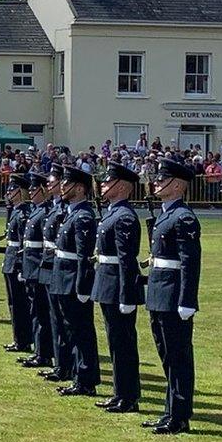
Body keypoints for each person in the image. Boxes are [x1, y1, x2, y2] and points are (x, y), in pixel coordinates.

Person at [143, 158, 201, 435]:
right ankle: (170, 410)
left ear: (176, 184)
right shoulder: (167, 214)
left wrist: (187, 300)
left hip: (172, 294)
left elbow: (191, 262)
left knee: (178, 356)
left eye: (162, 178)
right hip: (159, 291)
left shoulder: (184, 217)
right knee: (166, 355)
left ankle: (179, 415)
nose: (156, 182)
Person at [91, 163, 145, 414]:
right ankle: (120, 392)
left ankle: (128, 396)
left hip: (117, 286)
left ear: (121, 186)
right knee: (115, 342)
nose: (102, 185)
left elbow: (126, 259)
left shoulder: (124, 216)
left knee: (123, 343)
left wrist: (126, 294)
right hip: (108, 282)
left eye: (107, 181)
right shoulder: (113, 213)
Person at [49, 166, 100, 397]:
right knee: (71, 330)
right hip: (62, 276)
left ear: (79, 189)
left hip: (72, 280)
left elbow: (83, 256)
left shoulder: (84, 216)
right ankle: (78, 375)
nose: (62, 187)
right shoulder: (72, 213)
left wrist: (82, 286)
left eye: (67, 184)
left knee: (81, 332)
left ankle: (86, 379)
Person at [18, 172, 55, 368]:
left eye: (34, 189)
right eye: (30, 189)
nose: (31, 192)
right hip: (30, 267)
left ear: (43, 190)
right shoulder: (36, 211)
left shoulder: (45, 212)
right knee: (35, 311)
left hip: (38, 269)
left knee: (41, 313)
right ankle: (39, 350)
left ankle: (44, 353)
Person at [1, 174, 33, 353]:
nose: (8, 193)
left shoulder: (23, 213)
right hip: (10, 259)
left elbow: (23, 243)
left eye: (12, 190)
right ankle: (18, 338)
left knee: (20, 304)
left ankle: (23, 340)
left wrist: (20, 265)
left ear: (20, 191)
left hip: (16, 261)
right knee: (13, 303)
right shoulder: (15, 210)